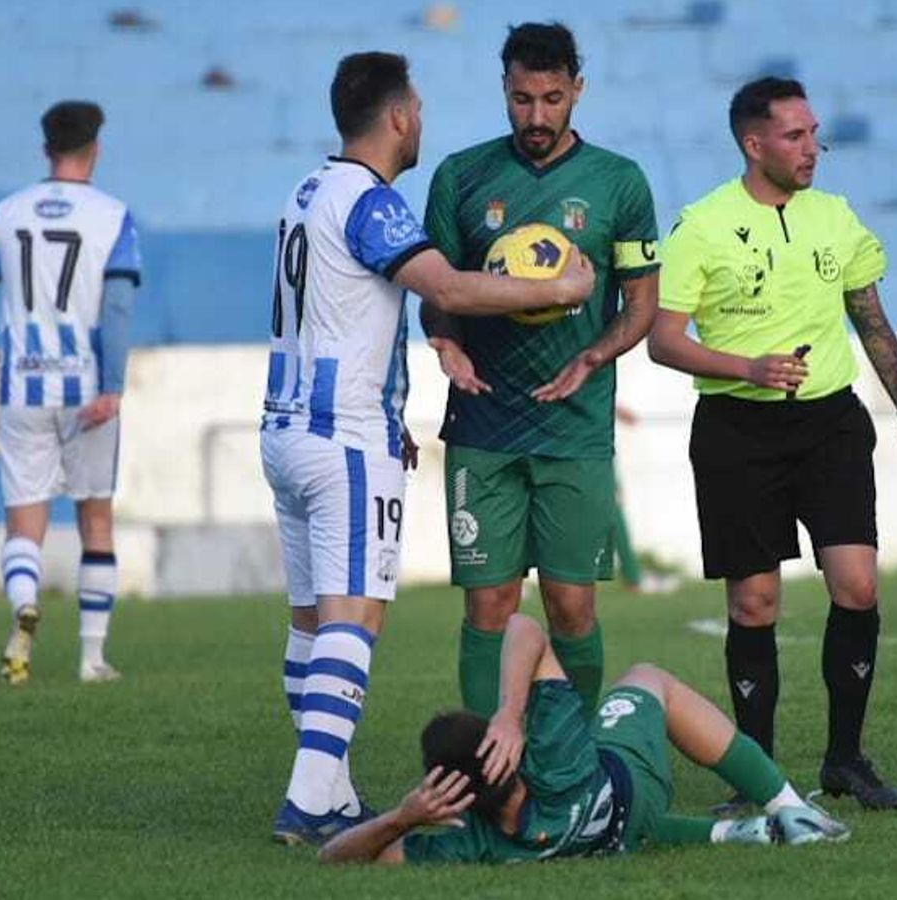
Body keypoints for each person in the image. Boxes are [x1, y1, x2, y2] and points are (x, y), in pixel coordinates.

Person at [264, 51, 595, 846]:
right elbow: (446, 288)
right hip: (343, 440)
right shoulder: (373, 203)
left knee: (312, 620)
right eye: (417, 106)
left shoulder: (305, 192)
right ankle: (310, 799)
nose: (422, 119)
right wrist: (557, 289)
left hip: (286, 427)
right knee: (354, 616)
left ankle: (331, 788)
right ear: (400, 116)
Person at [648, 77, 897, 811]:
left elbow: (870, 318)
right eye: (794, 136)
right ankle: (757, 777)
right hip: (736, 430)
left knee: (857, 585)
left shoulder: (834, 216)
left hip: (829, 424)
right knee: (755, 604)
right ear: (754, 145)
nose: (812, 148)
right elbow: (664, 342)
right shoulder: (703, 224)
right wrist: (747, 368)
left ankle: (845, 760)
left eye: (814, 132)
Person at [419, 22, 661, 722]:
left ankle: (572, 755)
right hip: (484, 420)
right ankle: (487, 771)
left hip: (576, 426)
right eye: (522, 98)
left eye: (552, 98)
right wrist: (445, 342)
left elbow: (642, 303)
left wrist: (595, 354)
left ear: (577, 90)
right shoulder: (461, 177)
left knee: (571, 603)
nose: (536, 116)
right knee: (489, 602)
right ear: (503, 88)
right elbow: (435, 290)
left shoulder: (618, 182)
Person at [318, 613, 849, 864]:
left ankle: (735, 834)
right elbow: (524, 627)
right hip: (632, 785)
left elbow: (335, 860)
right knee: (648, 678)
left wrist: (402, 816)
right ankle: (789, 808)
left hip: (603, 837)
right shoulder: (554, 758)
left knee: (613, 837)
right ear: (508, 753)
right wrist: (510, 710)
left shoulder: (473, 840)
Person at [0, 100, 141, 686]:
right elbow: (115, 309)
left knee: (24, 523)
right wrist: (112, 387)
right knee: (96, 520)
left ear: (45, 149)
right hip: (86, 389)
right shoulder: (113, 216)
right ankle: (91, 658)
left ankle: (23, 611)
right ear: (97, 148)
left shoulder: (7, 213)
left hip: (23, 385)